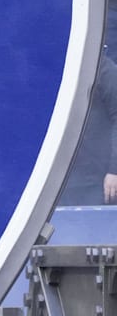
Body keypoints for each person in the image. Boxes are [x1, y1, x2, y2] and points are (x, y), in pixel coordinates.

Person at [59, 55, 117, 206]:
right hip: (55, 182)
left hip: (97, 183)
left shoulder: (102, 68)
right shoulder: (47, 68)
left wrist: (114, 170)